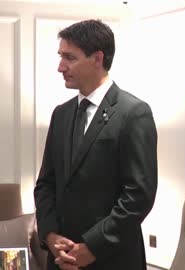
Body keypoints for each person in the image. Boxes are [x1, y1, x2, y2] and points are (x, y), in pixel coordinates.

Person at [34, 19, 157, 270]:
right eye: (61, 56)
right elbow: (46, 183)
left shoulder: (134, 113)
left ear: (97, 58)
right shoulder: (61, 114)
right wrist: (49, 235)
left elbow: (138, 196)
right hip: (61, 259)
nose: (60, 67)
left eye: (70, 57)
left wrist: (92, 247)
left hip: (112, 259)